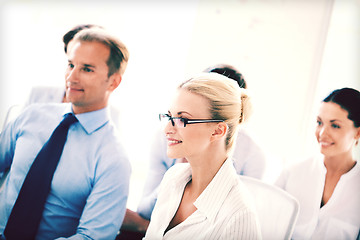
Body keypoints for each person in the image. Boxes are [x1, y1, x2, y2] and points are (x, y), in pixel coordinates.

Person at [0, 27, 131, 239]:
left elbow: (92, 237)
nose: (71, 77)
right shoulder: (31, 116)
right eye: (71, 65)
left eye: (87, 69)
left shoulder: (114, 159)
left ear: (113, 81)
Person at [119, 64, 266, 238]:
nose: (167, 128)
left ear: (217, 131)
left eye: (182, 119)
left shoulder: (239, 216)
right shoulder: (173, 178)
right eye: (169, 116)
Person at [275, 87, 360, 239]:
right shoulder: (292, 172)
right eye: (319, 122)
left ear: (358, 132)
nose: (322, 133)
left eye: (335, 125)